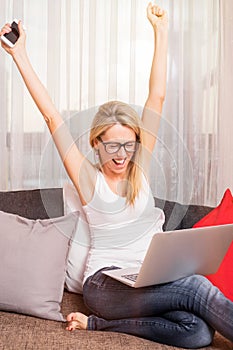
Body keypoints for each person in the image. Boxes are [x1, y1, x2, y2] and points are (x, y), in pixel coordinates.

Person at [1, 2, 233, 348]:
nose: (122, 155)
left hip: (149, 282)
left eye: (129, 145)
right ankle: (100, 315)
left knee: (196, 332)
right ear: (96, 144)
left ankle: (97, 325)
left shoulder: (141, 169)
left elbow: (157, 97)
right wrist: (19, 54)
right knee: (198, 287)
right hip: (105, 286)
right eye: (112, 146)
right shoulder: (87, 179)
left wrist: (161, 31)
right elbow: (51, 116)